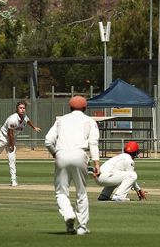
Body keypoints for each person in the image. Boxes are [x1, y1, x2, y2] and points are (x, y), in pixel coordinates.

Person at [45, 95, 101, 236]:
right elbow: (93, 143)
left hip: (61, 154)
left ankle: (69, 215)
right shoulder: (90, 121)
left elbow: (48, 140)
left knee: (61, 192)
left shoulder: (61, 120)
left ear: (70, 107)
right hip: (79, 154)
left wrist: (54, 154)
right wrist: (97, 163)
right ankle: (82, 227)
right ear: (85, 108)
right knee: (81, 191)